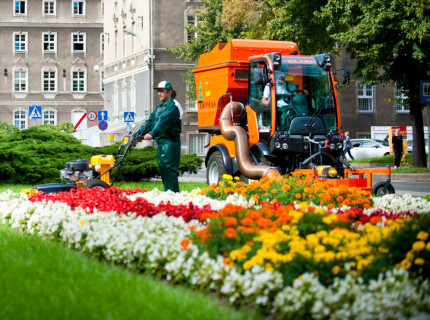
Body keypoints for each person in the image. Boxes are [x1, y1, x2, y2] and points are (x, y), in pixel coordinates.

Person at [135, 80, 181, 192]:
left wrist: (152, 134)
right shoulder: (159, 108)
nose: (159, 93)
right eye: (158, 91)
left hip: (170, 143)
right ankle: (168, 191)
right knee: (163, 168)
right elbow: (150, 121)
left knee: (169, 168)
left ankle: (172, 193)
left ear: (169, 92)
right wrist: (137, 134)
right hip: (162, 144)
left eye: (162, 91)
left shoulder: (173, 107)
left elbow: (163, 122)